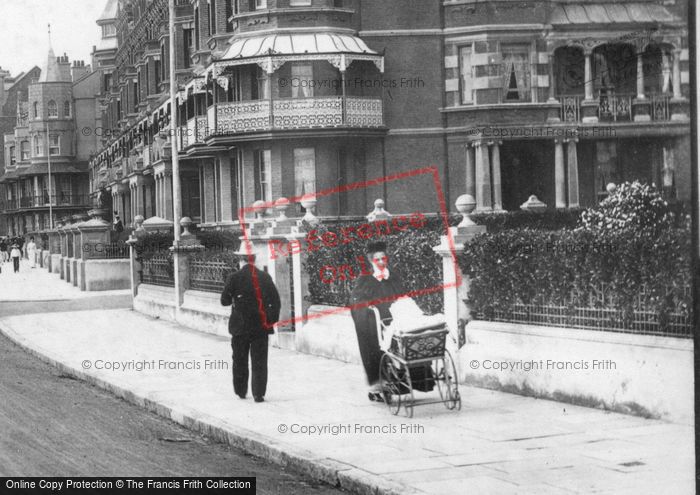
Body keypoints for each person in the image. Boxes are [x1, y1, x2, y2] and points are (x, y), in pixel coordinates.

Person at [221, 245, 281, 403]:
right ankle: (258, 394)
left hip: (239, 327)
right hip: (260, 327)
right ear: (254, 259)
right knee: (260, 361)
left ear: (241, 259)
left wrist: (234, 297)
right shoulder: (264, 277)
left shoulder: (233, 277)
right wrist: (271, 321)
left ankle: (241, 390)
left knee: (240, 360)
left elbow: (224, 301)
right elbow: (276, 301)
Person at [350, 241, 406, 402]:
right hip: (375, 323)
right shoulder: (365, 279)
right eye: (377, 260)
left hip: (395, 320)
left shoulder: (393, 276)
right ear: (371, 261)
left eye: (383, 258)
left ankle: (401, 382)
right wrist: (368, 310)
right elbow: (356, 302)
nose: (381, 262)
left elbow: (402, 295)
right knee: (376, 349)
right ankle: (377, 387)